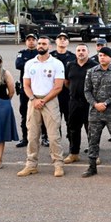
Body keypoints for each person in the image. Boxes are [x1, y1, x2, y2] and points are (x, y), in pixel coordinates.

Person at [17, 36, 66, 177]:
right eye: (39, 43)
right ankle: (31, 165)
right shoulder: (30, 63)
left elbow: (58, 87)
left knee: (53, 136)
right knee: (32, 135)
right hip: (33, 101)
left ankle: (58, 164)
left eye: (44, 43)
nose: (40, 46)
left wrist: (43, 100)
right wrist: (33, 99)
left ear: (49, 46)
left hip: (49, 100)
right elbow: (26, 85)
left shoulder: (56, 63)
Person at [82, 47, 111, 178]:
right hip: (95, 112)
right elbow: (87, 91)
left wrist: (106, 103)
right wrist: (95, 104)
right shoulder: (91, 72)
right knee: (93, 140)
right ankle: (92, 166)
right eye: (100, 55)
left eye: (105, 55)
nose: (102, 57)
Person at [63, 43, 97, 164]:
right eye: (78, 50)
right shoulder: (70, 65)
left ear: (88, 52)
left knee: (91, 129)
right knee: (73, 128)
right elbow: (66, 82)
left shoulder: (94, 66)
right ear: (76, 53)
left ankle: (94, 155)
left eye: (83, 50)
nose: (81, 52)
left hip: (89, 103)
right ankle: (74, 153)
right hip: (74, 102)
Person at [50, 32, 76, 148]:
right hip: (53, 94)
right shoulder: (49, 57)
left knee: (70, 121)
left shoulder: (73, 57)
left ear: (68, 42)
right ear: (56, 41)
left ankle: (72, 147)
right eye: (59, 38)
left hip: (68, 94)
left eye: (65, 39)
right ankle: (57, 147)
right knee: (55, 123)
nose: (62, 40)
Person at [14, 33, 39, 148]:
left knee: (43, 114)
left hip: (39, 88)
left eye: (33, 40)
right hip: (25, 89)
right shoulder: (21, 53)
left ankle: (44, 137)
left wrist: (28, 64)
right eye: (28, 40)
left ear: (37, 41)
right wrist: (35, 64)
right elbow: (18, 65)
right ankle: (25, 138)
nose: (31, 42)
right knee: (24, 114)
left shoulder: (41, 52)